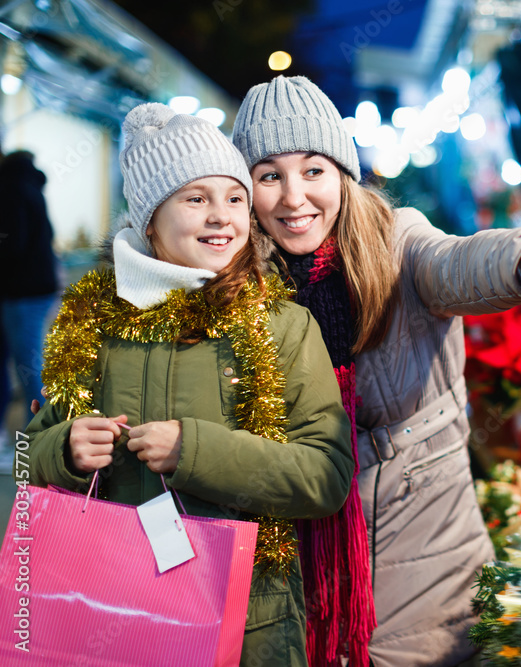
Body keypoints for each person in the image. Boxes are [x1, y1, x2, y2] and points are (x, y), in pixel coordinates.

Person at [232, 75, 521, 666]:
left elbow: (459, 263)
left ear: (341, 171)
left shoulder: (397, 241)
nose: (295, 198)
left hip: (426, 540)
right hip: (300, 553)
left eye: (313, 170)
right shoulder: (239, 286)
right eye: (270, 175)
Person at [25, 103, 354, 666]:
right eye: (195, 199)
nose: (221, 217)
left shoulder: (281, 323)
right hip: (110, 605)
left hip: (249, 618)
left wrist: (194, 451)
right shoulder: (91, 322)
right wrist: (65, 449)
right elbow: (25, 453)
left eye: (234, 199)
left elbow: (327, 474)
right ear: (150, 218)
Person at [0, 150, 60, 431]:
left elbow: (13, 244)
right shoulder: (29, 187)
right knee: (27, 365)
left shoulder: (10, 189)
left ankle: (36, 441)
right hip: (33, 290)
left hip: (21, 292)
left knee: (28, 368)